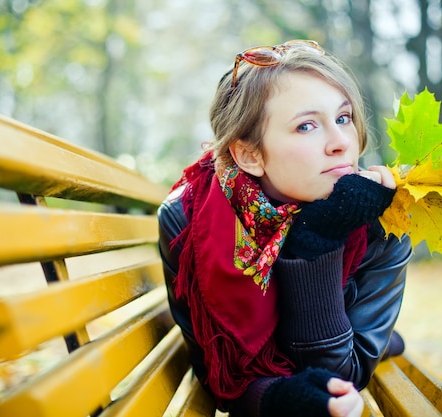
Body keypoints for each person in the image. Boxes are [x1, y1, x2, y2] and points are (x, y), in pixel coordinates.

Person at [158, 40, 413, 417]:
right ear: (250, 155)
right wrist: (272, 397)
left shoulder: (381, 222)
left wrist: (318, 241)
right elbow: (217, 372)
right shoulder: (188, 220)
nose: (342, 143)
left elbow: (342, 377)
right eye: (307, 126)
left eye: (343, 118)